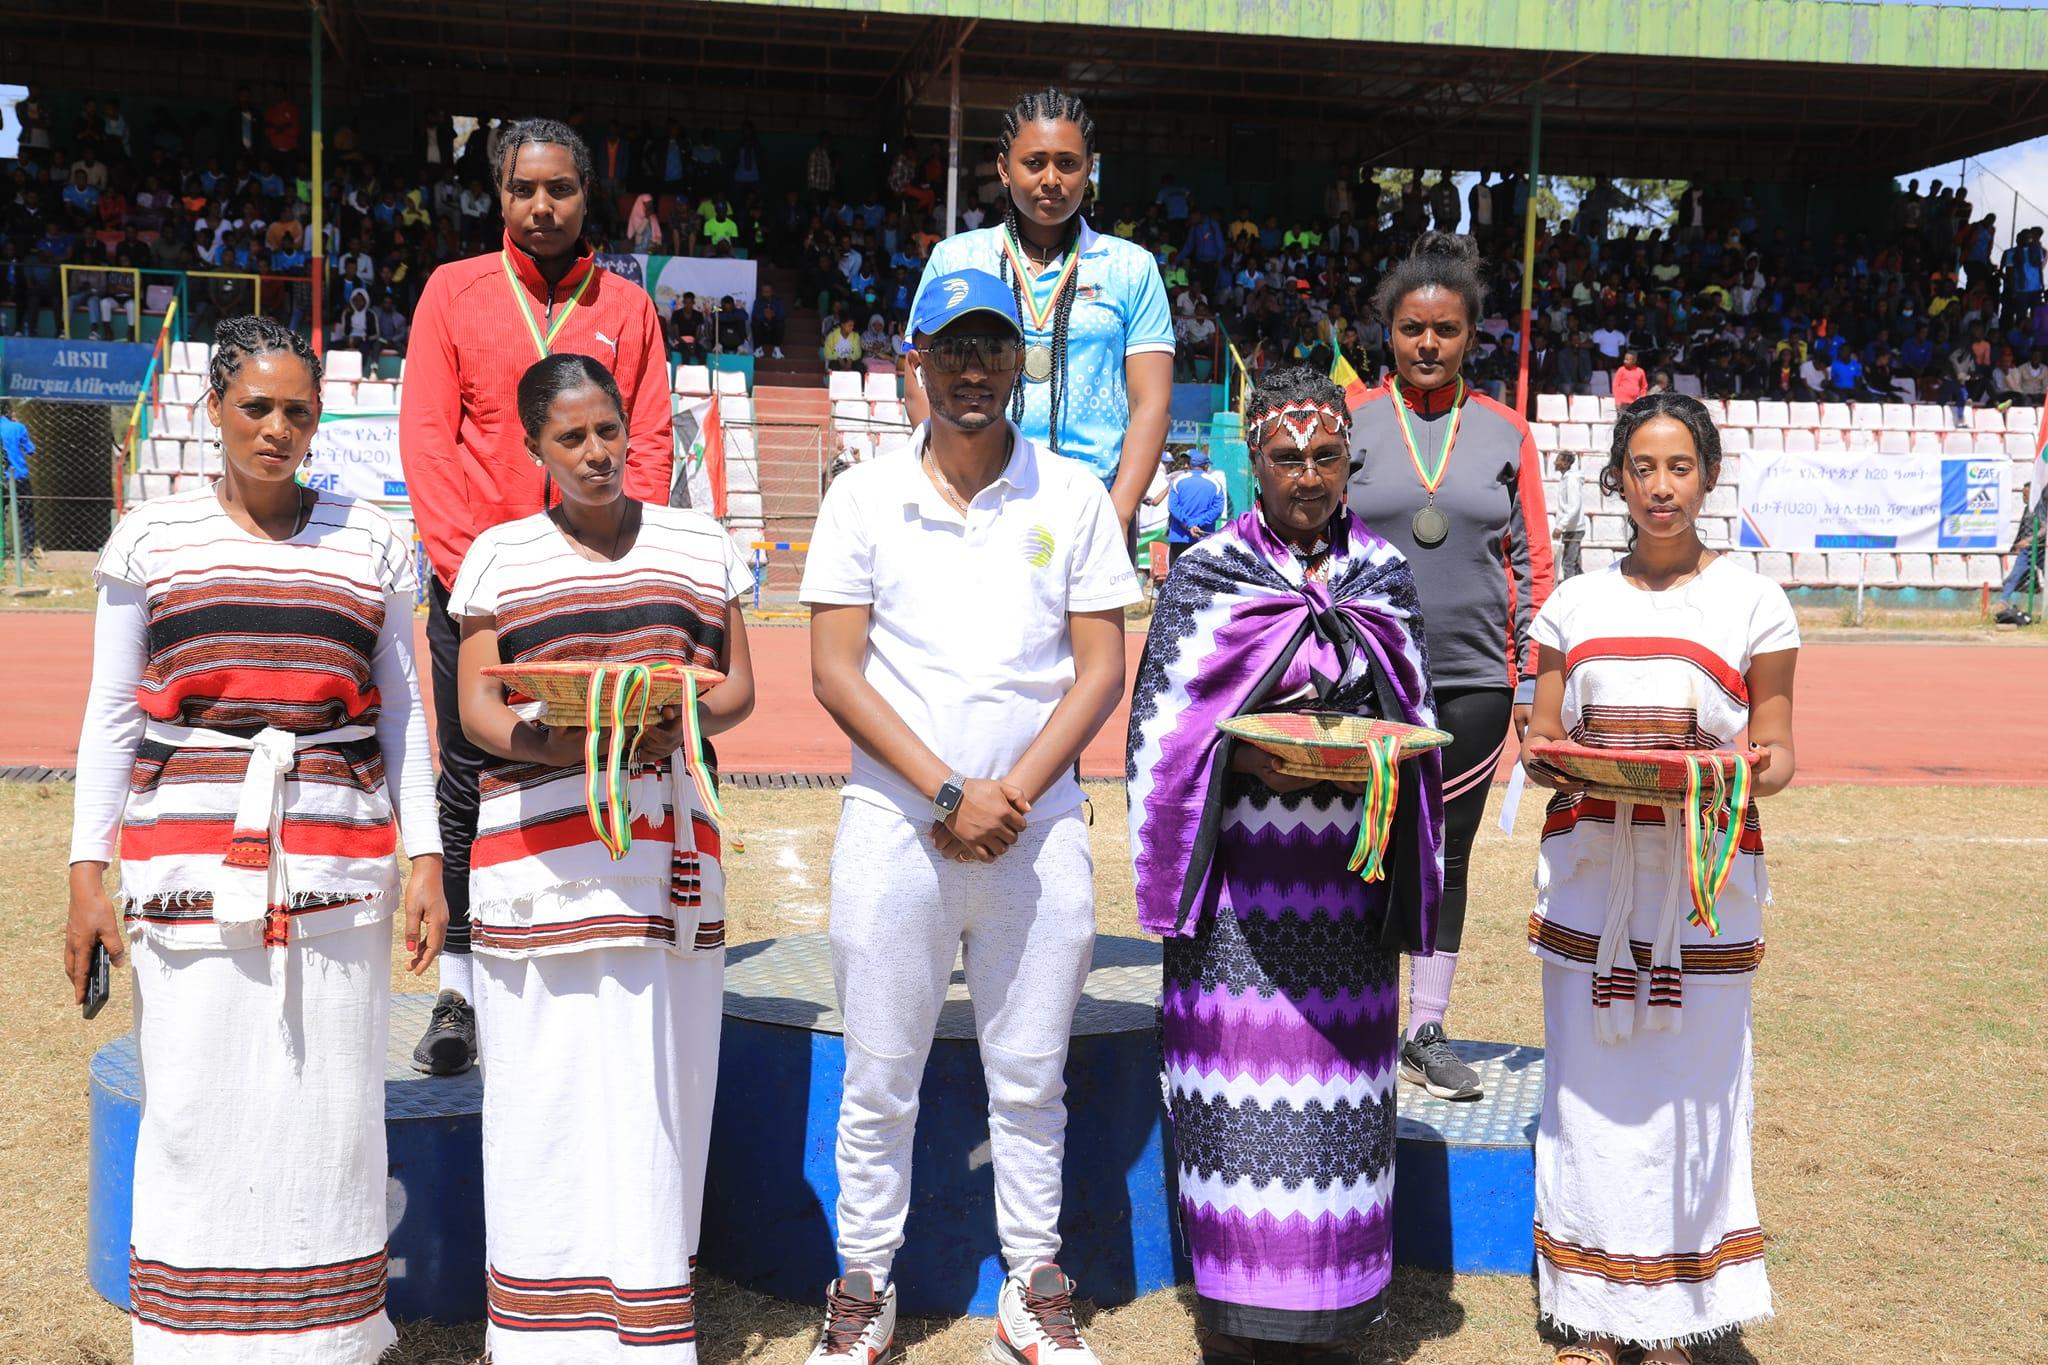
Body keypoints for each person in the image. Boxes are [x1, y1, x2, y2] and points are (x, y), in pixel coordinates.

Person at [65, 316, 446, 1363]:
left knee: (330, 1107)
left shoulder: (372, 541)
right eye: (257, 407)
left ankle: (331, 1342)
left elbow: (406, 714)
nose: (278, 428)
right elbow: (112, 715)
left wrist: (425, 859)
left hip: (339, 862)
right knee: (197, 1103)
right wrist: (87, 872)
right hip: (185, 865)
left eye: (298, 412)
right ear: (214, 411)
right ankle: (192, 1344)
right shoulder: (152, 538)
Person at [799, 269, 1138, 1365]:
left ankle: (1031, 1286)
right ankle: (863, 1284)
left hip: (1037, 832)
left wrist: (1010, 795)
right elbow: (834, 671)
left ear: (1019, 362)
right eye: (951, 348)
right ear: (917, 363)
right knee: (878, 1077)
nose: (973, 369)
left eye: (992, 347)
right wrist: (950, 791)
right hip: (895, 826)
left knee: (1031, 1076)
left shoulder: (1071, 495)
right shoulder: (862, 495)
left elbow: (1100, 669)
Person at [1128, 365, 1444, 1363]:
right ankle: (1239, 1318)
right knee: (1238, 1098)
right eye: (1285, 456)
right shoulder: (1209, 574)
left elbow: (1414, 709)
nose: (1307, 475)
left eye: (1324, 456)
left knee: (1340, 1096)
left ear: (1349, 462)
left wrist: (1371, 747)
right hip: (1236, 889)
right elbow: (1162, 731)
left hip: (1348, 883)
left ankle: (1337, 1306)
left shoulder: (1382, 574)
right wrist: (1240, 754)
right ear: (1253, 463)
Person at [448, 354, 755, 1361]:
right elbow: (479, 708)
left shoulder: (698, 545)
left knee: (660, 1081)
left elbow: (736, 689)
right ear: (534, 447)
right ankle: (538, 1336)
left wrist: (667, 720)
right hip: (537, 861)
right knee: (541, 1086)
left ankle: (646, 1324)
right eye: (569, 437)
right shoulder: (498, 556)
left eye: (607, 431)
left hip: (664, 855)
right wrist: (572, 742)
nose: (594, 453)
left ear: (630, 430)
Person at [1522, 392, 1798, 1364]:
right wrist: (1565, 760)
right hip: (1590, 878)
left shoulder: (1754, 602)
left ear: (1707, 477)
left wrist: (1721, 770)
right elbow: (1541, 742)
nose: (1661, 487)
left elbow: (1776, 754)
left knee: (1692, 1093)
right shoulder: (1572, 604)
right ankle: (1592, 1314)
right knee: (1589, 1093)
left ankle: (1677, 1318)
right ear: (1619, 480)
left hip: (1701, 888)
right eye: (1643, 468)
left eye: (1679, 467)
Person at [398, 116, 673, 1075]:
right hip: (477, 593)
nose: (542, 206)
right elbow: (428, 441)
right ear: (499, 195)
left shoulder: (627, 308)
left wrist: (619, 571)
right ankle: (460, 991)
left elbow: (648, 443)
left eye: (560, 188)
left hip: (593, 590)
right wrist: (472, 575)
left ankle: (598, 959)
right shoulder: (453, 291)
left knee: (604, 760)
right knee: (470, 774)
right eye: (523, 189)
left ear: (588, 194)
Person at [1347, 231, 1554, 1101]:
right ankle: (1354, 1021)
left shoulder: (1507, 433)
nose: (1427, 344)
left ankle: (1425, 1030)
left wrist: (1533, 680)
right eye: (1411, 328)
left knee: (1445, 853)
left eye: (1446, 329)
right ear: (1387, 332)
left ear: (1471, 334)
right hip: (1362, 674)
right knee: (1358, 846)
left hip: (1474, 680)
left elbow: (1534, 563)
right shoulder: (1351, 419)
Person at [907, 88, 1174, 535]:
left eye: (1067, 163)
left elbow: (1152, 402)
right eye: (1034, 163)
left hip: (1093, 508)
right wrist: (955, 489)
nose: (1051, 179)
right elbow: (919, 380)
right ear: (1004, 169)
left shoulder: (1131, 267)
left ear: (1088, 169)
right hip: (981, 500)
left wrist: (1118, 512)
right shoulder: (955, 258)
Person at [1164, 446, 1224, 564]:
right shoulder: (1215, 484)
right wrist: (1197, 523)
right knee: (1200, 574)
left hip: (1179, 538)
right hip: (1202, 538)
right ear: (1206, 466)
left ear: (1190, 464)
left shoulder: (1177, 481)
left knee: (1177, 573)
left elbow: (1173, 507)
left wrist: (1189, 524)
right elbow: (1217, 509)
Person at [0, 400, 34, 559]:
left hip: (2, 477)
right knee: (26, 514)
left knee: (2, 514)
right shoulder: (18, 427)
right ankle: (29, 551)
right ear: (9, 411)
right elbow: (30, 450)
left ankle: (2, 549)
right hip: (19, 476)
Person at [1553, 450, 1585, 580]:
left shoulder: (1571, 479)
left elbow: (1574, 506)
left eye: (1558, 460)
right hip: (1571, 528)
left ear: (1566, 463)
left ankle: (1570, 591)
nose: (1555, 462)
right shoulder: (1566, 478)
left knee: (1568, 564)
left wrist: (1560, 526)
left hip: (1574, 529)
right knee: (1574, 565)